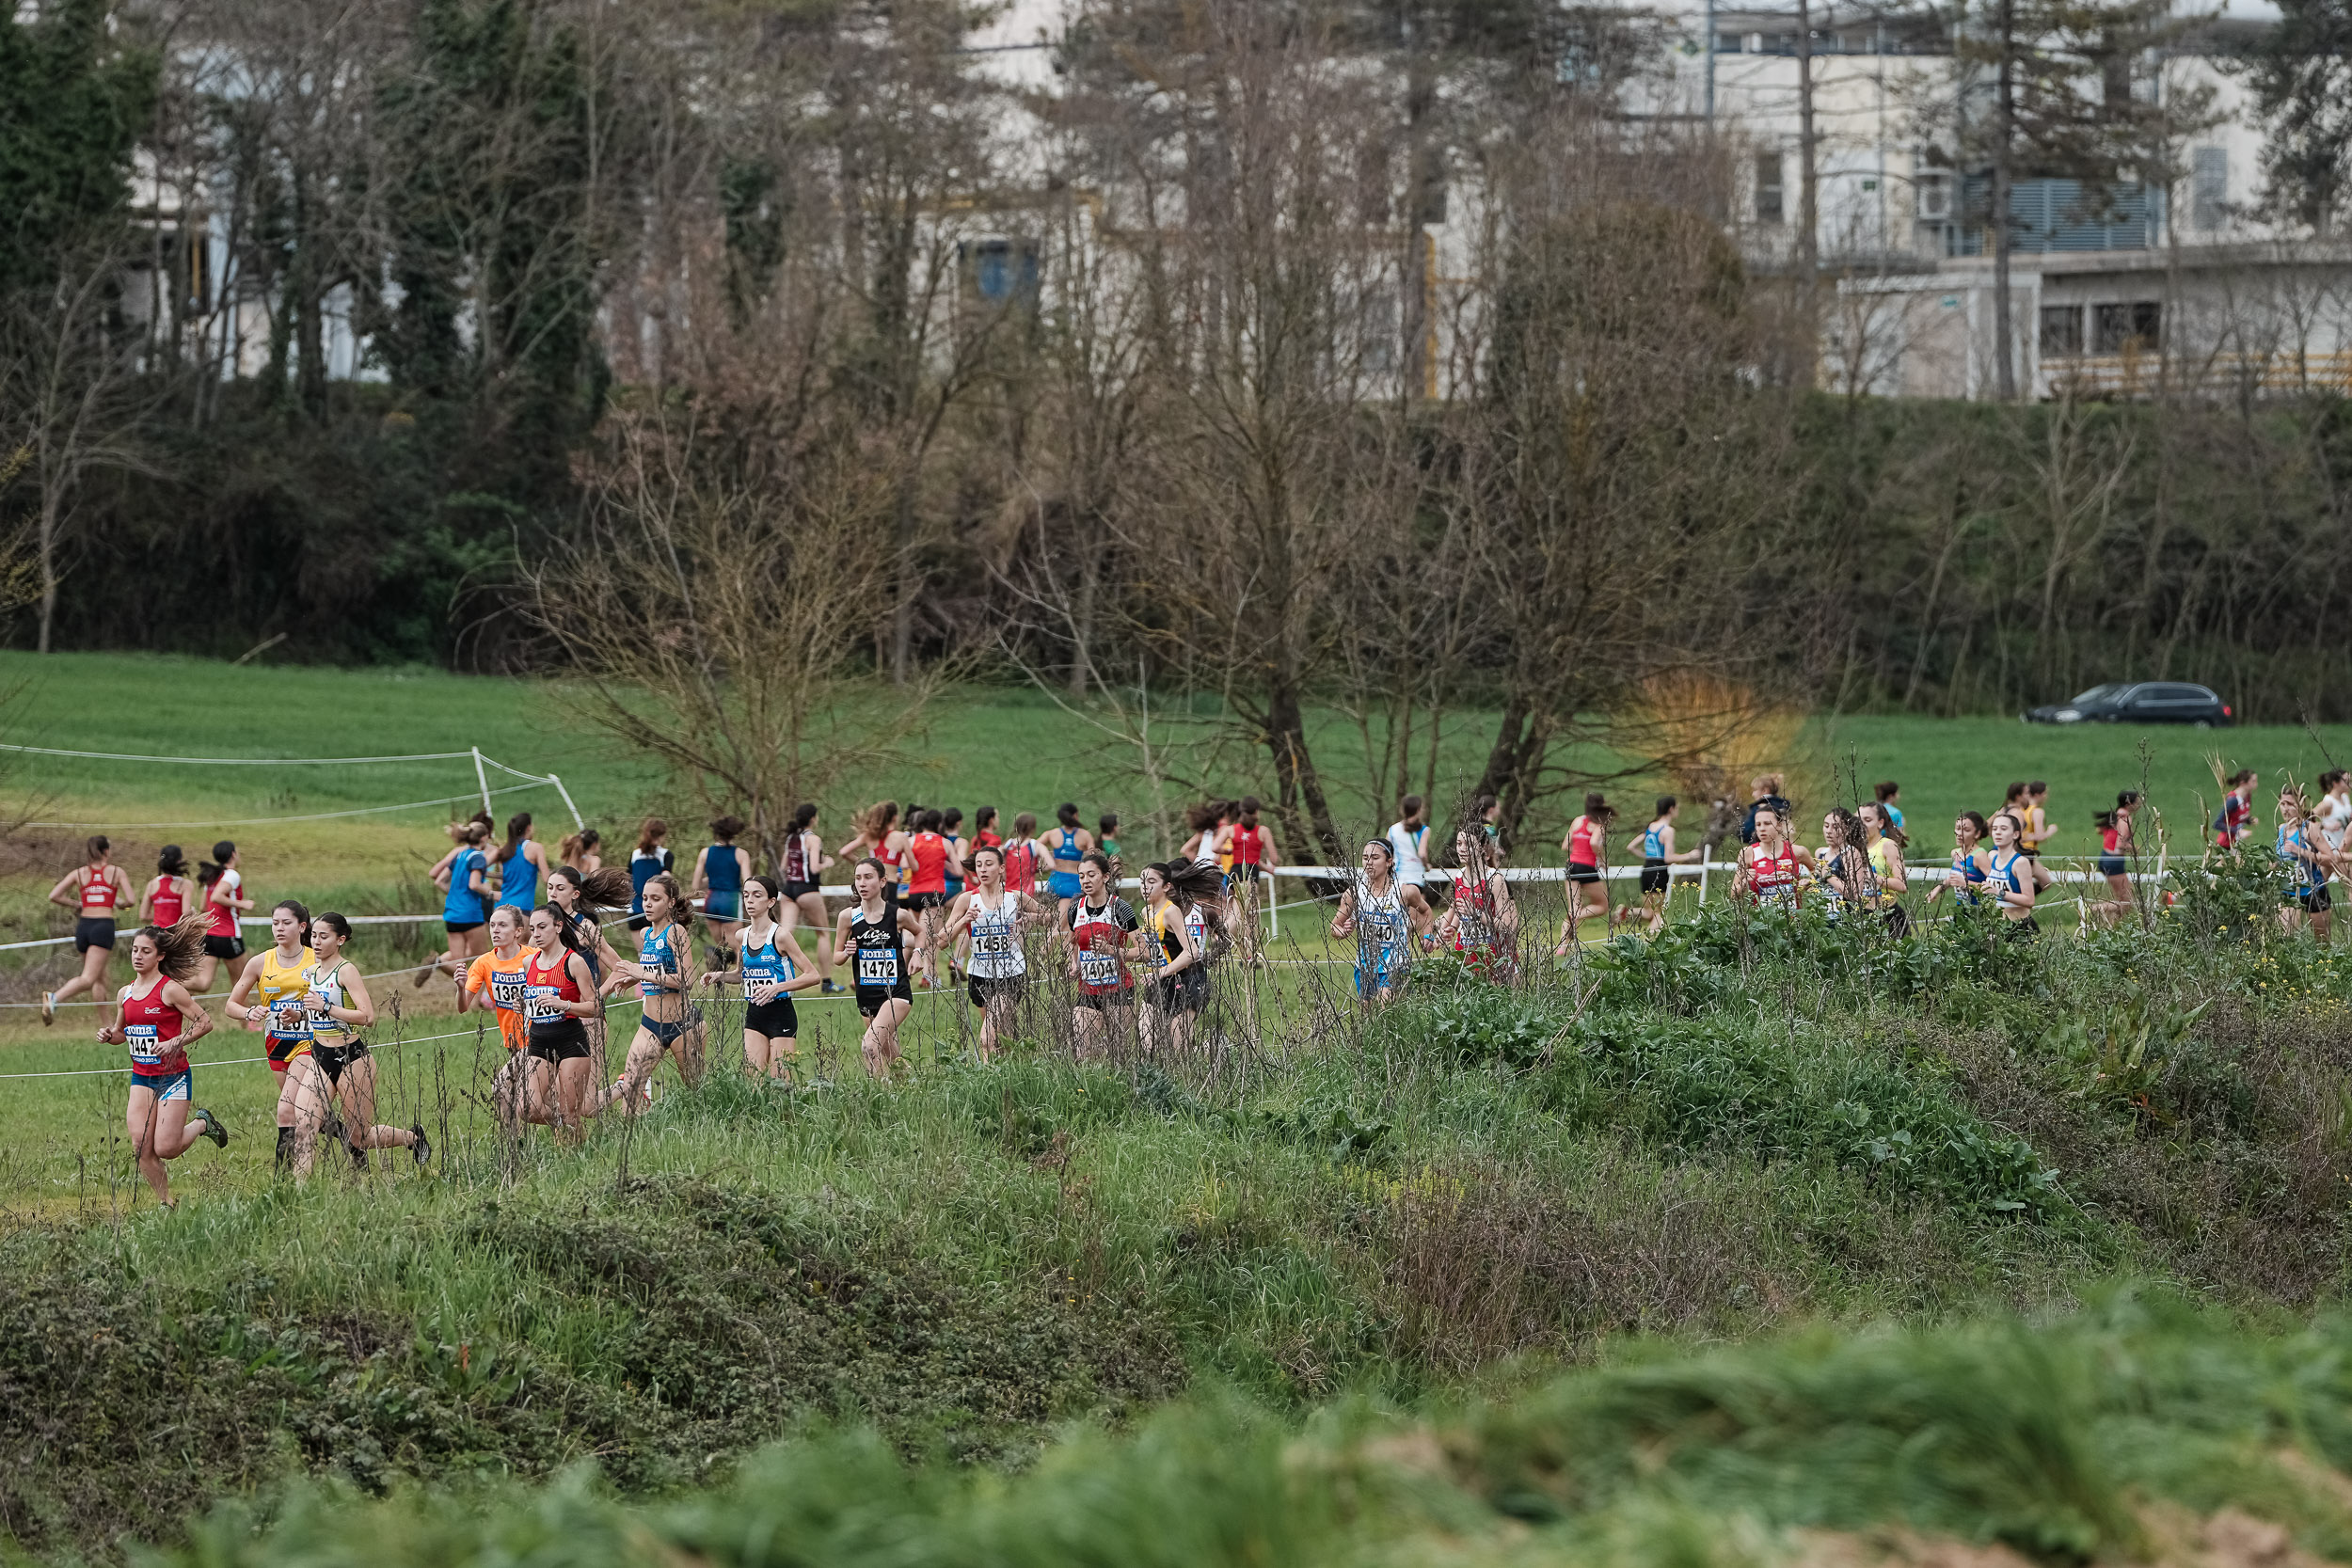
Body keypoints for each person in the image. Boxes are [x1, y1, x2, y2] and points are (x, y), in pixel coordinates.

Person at [288, 912, 428, 1177]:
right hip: (320, 1055)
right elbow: (319, 1011)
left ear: (340, 940)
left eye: (324, 936)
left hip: (352, 1058)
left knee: (359, 1138)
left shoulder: (347, 971)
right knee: (304, 1127)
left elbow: (367, 1017)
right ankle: (298, 1194)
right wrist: (300, 1015)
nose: (316, 942)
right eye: (314, 936)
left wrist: (325, 1007)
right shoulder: (313, 972)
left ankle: (413, 1137)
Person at [97, 917, 225, 1206]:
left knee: (166, 1148)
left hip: (173, 1076)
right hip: (142, 1078)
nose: (138, 956)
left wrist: (174, 1042)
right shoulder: (125, 993)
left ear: (160, 956)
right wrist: (109, 1035)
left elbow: (205, 1022)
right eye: (135, 950)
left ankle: (202, 1123)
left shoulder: (170, 989)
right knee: (141, 1147)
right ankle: (167, 1204)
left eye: (146, 951)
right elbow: (121, 1033)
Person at [599, 873, 705, 1115]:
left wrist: (642, 973)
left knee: (696, 1090)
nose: (647, 904)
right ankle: (632, 1135)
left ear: (670, 902)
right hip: (650, 1025)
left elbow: (687, 980)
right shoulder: (646, 934)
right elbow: (654, 969)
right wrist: (634, 977)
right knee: (631, 1087)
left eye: (655, 899)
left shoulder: (675, 932)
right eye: (645, 898)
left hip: (683, 1024)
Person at [227, 899, 318, 1174]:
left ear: (302, 927)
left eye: (286, 923)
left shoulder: (316, 960)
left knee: (286, 1110)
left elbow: (335, 1001)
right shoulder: (259, 962)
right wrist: (250, 1012)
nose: (279, 928)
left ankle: (283, 1183)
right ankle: (356, 1143)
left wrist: (302, 1013)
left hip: (310, 1043)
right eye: (275, 922)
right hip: (276, 1044)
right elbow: (231, 1005)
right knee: (305, 1111)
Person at [702, 875, 821, 1084]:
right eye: (746, 895)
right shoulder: (741, 936)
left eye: (757, 895)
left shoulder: (780, 936)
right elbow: (742, 974)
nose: (750, 900)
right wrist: (719, 975)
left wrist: (777, 988)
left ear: (771, 902)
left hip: (780, 1013)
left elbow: (813, 975)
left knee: (780, 1083)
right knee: (753, 1082)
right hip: (754, 1014)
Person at [943, 842, 1044, 1060]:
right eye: (979, 865)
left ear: (1001, 868)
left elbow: (1050, 917)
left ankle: (990, 1074)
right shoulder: (967, 899)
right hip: (979, 975)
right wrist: (963, 921)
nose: (983, 869)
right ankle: (1011, 1071)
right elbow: (942, 940)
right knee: (1002, 1036)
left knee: (987, 1038)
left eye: (989, 864)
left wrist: (1030, 917)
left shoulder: (1015, 897)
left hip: (1011, 974)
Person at [835, 857, 923, 1078]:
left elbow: (920, 931)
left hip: (896, 992)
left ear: (883, 881)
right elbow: (836, 958)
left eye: (868, 877)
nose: (862, 883)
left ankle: (882, 1093)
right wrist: (846, 952)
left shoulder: (898, 914)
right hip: (867, 995)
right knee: (889, 1051)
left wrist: (918, 954)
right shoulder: (848, 916)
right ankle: (909, 1083)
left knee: (869, 1045)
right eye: (858, 878)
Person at [459, 905, 544, 1132]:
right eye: (493, 925)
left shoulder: (534, 957)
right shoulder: (484, 962)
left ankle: (515, 1145)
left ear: (518, 931)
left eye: (503, 925)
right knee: (533, 1099)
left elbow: (553, 992)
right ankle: (562, 1129)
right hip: (513, 1041)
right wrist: (459, 987)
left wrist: (529, 1003)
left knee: (502, 1089)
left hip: (540, 1037)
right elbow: (463, 1007)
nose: (495, 930)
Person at [525, 905, 606, 1132]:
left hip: (571, 1042)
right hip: (538, 1042)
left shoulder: (574, 962)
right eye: (532, 929)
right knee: (528, 1108)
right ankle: (562, 1123)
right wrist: (523, 1005)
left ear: (558, 926)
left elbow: (596, 1007)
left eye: (542, 927)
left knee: (571, 1116)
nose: (536, 934)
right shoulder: (529, 962)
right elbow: (534, 1001)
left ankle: (573, 1136)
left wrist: (565, 1005)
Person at [547, 863, 631, 1077]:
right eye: (549, 887)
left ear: (575, 894)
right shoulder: (542, 927)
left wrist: (596, 998)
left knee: (587, 1094)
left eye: (560, 888)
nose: (553, 893)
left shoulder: (584, 927)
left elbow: (620, 968)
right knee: (554, 1092)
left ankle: (627, 1088)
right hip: (551, 1021)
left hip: (586, 1020)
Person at [43, 834, 135, 1023]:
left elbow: (54, 895)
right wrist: (119, 903)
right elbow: (131, 900)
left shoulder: (79, 873)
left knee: (100, 979)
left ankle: (107, 1025)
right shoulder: (116, 872)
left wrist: (77, 904)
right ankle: (54, 998)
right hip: (102, 927)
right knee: (88, 979)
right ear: (106, 851)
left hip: (84, 927)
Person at [1331, 837, 1429, 1003]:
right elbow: (1335, 926)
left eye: (1375, 858)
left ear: (1389, 861)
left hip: (1395, 965)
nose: (1369, 863)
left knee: (1385, 1008)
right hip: (1365, 966)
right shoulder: (1354, 893)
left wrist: (1427, 937)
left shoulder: (1404, 892)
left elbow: (1426, 912)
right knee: (1367, 1013)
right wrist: (1343, 932)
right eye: (1365, 858)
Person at [1064, 849, 1139, 1059]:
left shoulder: (1120, 908)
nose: (1085, 880)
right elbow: (1072, 942)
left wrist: (1111, 951)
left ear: (1105, 877)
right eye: (1081, 876)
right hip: (1088, 991)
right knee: (1081, 1051)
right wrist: (1074, 964)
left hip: (1119, 991)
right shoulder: (1075, 909)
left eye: (1091, 875)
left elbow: (1144, 951)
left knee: (1117, 1054)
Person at [1139, 861, 1221, 1052]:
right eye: (1142, 882)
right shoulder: (1145, 912)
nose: (1145, 887)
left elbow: (1192, 952)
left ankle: (1213, 1049)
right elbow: (1152, 951)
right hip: (1159, 983)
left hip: (1186, 982)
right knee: (1148, 1047)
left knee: (1179, 1051)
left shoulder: (1171, 912)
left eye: (1151, 882)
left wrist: (1160, 972)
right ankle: (1203, 1049)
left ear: (1166, 886)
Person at [421, 821, 493, 987]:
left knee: (459, 965)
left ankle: (443, 967)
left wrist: (456, 894)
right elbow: (474, 884)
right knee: (483, 960)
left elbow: (439, 881)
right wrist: (490, 892)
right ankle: (478, 999)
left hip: (452, 913)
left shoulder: (460, 855)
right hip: (470, 913)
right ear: (484, 838)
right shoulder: (478, 857)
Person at [776, 803, 839, 993]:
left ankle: (778, 976)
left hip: (789, 890)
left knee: (784, 934)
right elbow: (814, 868)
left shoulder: (791, 838)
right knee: (823, 933)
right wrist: (827, 862)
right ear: (813, 819)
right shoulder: (813, 839)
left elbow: (783, 867)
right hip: (807, 889)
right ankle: (827, 982)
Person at [1441, 826, 1518, 979]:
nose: (1462, 849)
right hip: (1465, 955)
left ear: (1482, 847)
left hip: (1493, 955)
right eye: (1459, 843)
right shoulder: (1459, 877)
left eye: (1468, 844)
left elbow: (1509, 926)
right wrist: (1450, 930)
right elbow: (1459, 911)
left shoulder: (1495, 880)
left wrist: (1477, 914)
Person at [902, 807, 961, 987]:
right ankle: (930, 976)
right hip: (934, 894)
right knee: (930, 937)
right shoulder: (945, 843)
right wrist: (942, 862)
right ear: (939, 824)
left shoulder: (911, 840)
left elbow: (904, 864)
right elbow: (959, 871)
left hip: (913, 893)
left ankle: (902, 969)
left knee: (918, 933)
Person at [1629, 796, 1701, 936]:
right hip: (1659, 871)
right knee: (1659, 913)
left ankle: (1626, 912)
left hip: (1646, 869)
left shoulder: (1650, 827)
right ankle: (1647, 940)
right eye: (1677, 808)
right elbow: (1668, 858)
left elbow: (1631, 846)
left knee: (1649, 911)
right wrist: (1689, 855)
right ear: (1671, 809)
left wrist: (1648, 857)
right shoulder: (1668, 830)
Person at [691, 815, 752, 963]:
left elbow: (696, 885)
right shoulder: (741, 854)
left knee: (721, 943)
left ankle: (718, 963)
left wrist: (713, 878)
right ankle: (742, 973)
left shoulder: (705, 853)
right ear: (734, 833)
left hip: (711, 899)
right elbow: (748, 883)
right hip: (730, 899)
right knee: (736, 944)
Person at [1227, 798, 1280, 961]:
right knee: (1247, 917)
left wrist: (1229, 851)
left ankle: (1247, 955)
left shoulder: (1231, 830)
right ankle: (1221, 941)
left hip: (1233, 873)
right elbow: (1274, 858)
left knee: (1241, 915)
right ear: (1256, 811)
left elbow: (1215, 847)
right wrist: (1266, 865)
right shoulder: (1262, 831)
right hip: (1249, 877)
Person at [194, 841, 249, 994]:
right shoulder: (232, 875)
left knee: (203, 983)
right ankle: (246, 1012)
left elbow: (203, 907)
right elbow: (216, 897)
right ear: (233, 854)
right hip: (228, 935)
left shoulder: (212, 876)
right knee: (242, 984)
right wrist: (242, 904)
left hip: (209, 935)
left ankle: (168, 982)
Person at [1733, 804, 1811, 910]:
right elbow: (1733, 896)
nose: (1762, 829)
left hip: (1793, 917)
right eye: (1758, 825)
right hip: (1763, 918)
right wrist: (1744, 882)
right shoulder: (1748, 853)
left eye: (1767, 824)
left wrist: (1809, 884)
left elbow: (1817, 870)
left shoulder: (1797, 851)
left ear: (1779, 825)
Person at [2277, 787, 2331, 940]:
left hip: (2313, 890)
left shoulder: (2309, 828)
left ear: (2301, 805)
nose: (2285, 809)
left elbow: (2330, 858)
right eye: (2282, 804)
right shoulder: (2281, 829)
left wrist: (2301, 852)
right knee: (2286, 939)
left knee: (2322, 943)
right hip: (2289, 892)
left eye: (2290, 804)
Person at [1558, 793, 1614, 940]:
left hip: (1571, 865)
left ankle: (1562, 946)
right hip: (1587, 867)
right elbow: (1594, 843)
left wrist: (1578, 850)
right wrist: (1602, 860)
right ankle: (1577, 916)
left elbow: (1565, 845)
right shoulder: (1599, 825)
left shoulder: (1578, 820)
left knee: (1573, 907)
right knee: (1602, 905)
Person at [1857, 801, 1910, 934]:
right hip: (1862, 916)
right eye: (1858, 820)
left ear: (1880, 823)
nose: (1862, 825)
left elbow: (1902, 885)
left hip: (1888, 916)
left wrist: (1874, 877)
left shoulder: (1888, 846)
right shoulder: (1856, 848)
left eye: (1867, 820)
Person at [1386, 796, 1436, 935]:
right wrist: (1427, 866)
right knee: (1414, 920)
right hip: (1414, 876)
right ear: (1419, 810)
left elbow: (1386, 851)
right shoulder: (1424, 830)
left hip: (1397, 876)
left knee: (1401, 917)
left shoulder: (1393, 829)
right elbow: (1422, 853)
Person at [1982, 812, 2039, 934]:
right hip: (1996, 926)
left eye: (2003, 829)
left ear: (2015, 834)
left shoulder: (2020, 862)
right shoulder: (1992, 856)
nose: (1998, 832)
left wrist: (1998, 892)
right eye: (1994, 829)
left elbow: (2029, 901)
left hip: (2018, 926)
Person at [492, 811, 549, 918]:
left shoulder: (506, 850)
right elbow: (547, 879)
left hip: (500, 908)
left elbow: (501, 878)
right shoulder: (536, 848)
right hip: (522, 908)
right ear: (529, 828)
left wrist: (490, 892)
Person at [1930, 811, 1993, 908]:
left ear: (1977, 833)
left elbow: (1994, 886)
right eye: (1958, 828)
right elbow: (1954, 877)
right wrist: (1937, 889)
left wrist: (1967, 884)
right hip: (1961, 910)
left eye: (1966, 830)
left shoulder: (1979, 856)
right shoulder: (1955, 853)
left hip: (1979, 911)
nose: (1959, 834)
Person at [1045, 803, 1092, 917]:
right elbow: (1094, 858)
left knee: (1057, 916)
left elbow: (1032, 847)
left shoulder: (1052, 834)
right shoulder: (1085, 835)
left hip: (1055, 881)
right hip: (1074, 882)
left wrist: (1047, 857)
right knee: (1067, 919)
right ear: (1075, 815)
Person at [628, 817, 674, 932]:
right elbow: (667, 879)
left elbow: (628, 880)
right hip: (657, 911)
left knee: (641, 945)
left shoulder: (634, 854)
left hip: (634, 909)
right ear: (661, 836)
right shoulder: (666, 855)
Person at [138, 846, 194, 932]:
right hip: (175, 932)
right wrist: (193, 912)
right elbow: (186, 913)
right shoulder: (185, 884)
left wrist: (161, 916)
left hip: (156, 933)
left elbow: (143, 916)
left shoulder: (152, 884)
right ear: (179, 861)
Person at [1738, 774, 1792, 846]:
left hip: (1763, 847)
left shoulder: (1760, 808)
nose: (1753, 794)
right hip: (1785, 847)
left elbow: (1744, 834)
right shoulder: (1784, 807)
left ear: (1765, 790)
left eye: (1755, 790)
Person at [1003, 812, 1045, 899]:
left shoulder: (1008, 844)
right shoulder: (1034, 845)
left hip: (1008, 892)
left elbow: (997, 861)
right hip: (1026, 893)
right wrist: (1036, 869)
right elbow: (1051, 864)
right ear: (1032, 829)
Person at [2216, 769, 2258, 848]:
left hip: (2236, 843)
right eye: (2253, 781)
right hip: (2225, 845)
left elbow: (2238, 818)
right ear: (2243, 783)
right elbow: (2217, 824)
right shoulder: (2232, 800)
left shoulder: (2247, 797)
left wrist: (2249, 820)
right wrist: (2238, 831)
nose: (2256, 784)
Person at [2020, 783, 2052, 862]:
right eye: (2045, 793)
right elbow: (2040, 837)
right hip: (2027, 852)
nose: (2046, 797)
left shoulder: (2019, 809)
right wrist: (2050, 831)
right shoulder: (2037, 812)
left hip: (2013, 850)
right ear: (2037, 795)